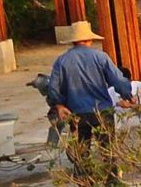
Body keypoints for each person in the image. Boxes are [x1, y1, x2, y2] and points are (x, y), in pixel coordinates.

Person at [42, 22, 133, 150]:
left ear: (73, 41)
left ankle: (83, 170)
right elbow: (117, 80)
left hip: (76, 112)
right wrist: (128, 95)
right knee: (108, 151)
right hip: (102, 111)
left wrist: (59, 105)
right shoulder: (101, 57)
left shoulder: (62, 60)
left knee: (82, 152)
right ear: (89, 39)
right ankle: (110, 169)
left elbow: (53, 88)